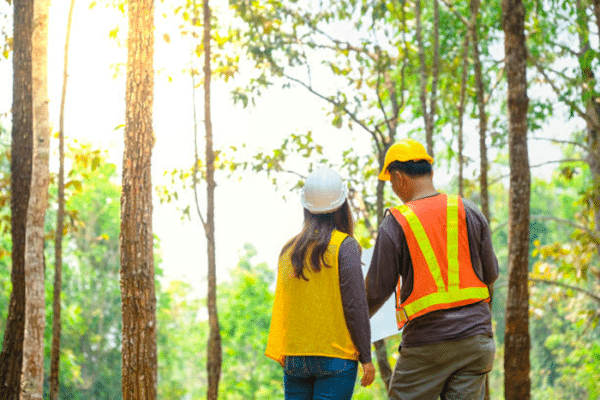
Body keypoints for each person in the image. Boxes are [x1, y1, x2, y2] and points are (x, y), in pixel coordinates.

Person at [365, 139, 499, 400]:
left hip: (427, 345)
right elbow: (490, 276)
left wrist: (350, 330)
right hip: (477, 342)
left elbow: (374, 293)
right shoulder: (468, 209)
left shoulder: (396, 222)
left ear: (399, 177)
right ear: (431, 173)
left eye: (392, 183)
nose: (394, 189)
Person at [266, 167, 375, 400]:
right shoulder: (344, 246)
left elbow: (286, 309)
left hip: (296, 357)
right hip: (336, 358)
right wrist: (366, 357)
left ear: (306, 207)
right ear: (342, 206)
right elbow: (355, 306)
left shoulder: (288, 251)